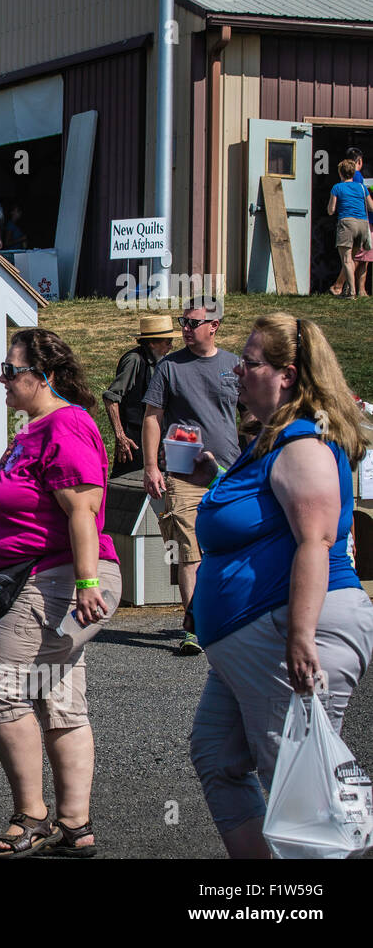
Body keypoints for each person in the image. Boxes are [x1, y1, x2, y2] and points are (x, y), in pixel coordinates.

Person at [187, 313, 373, 857]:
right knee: (219, 756)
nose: (238, 372)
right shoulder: (269, 441)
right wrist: (218, 480)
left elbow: (315, 541)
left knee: (301, 778)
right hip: (253, 638)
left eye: (250, 363)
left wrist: (300, 635)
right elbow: (264, 515)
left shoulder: (301, 442)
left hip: (286, 629)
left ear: (286, 374)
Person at [0, 328, 123, 858]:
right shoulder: (32, 429)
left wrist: (85, 583)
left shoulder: (67, 424)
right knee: (58, 698)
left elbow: (83, 509)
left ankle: (32, 817)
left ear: (47, 376)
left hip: (64, 579)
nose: (3, 379)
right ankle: (76, 828)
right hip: (42, 577)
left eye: (12, 371)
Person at [141, 295, 241, 656]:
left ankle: (230, 618)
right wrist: (152, 466)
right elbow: (153, 417)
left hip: (229, 472)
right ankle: (194, 626)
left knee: (232, 545)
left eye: (192, 323)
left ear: (213, 326)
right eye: (183, 322)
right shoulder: (169, 367)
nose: (185, 328)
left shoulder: (234, 365)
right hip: (183, 474)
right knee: (189, 550)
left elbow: (252, 415)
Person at [102, 315, 177, 477]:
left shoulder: (163, 362)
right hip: (134, 440)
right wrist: (121, 436)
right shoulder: (134, 360)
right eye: (167, 341)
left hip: (157, 436)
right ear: (151, 343)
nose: (171, 346)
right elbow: (111, 397)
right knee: (127, 483)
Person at [326, 157, 373, 298]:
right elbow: (371, 206)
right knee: (353, 258)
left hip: (347, 223)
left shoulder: (337, 187)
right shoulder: (361, 187)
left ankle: (351, 292)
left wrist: (330, 208)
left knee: (346, 259)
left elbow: (331, 209)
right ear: (353, 173)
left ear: (340, 173)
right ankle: (348, 289)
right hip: (363, 225)